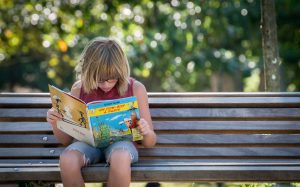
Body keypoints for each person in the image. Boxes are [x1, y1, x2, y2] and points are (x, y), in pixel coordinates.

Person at [46, 37, 157, 187]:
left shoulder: (135, 89)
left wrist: (145, 131)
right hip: (87, 145)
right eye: (99, 80)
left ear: (121, 72)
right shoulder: (79, 89)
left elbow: (150, 142)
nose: (105, 85)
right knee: (67, 159)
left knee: (121, 157)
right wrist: (56, 122)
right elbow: (66, 141)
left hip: (121, 145)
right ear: (88, 72)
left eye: (112, 79)